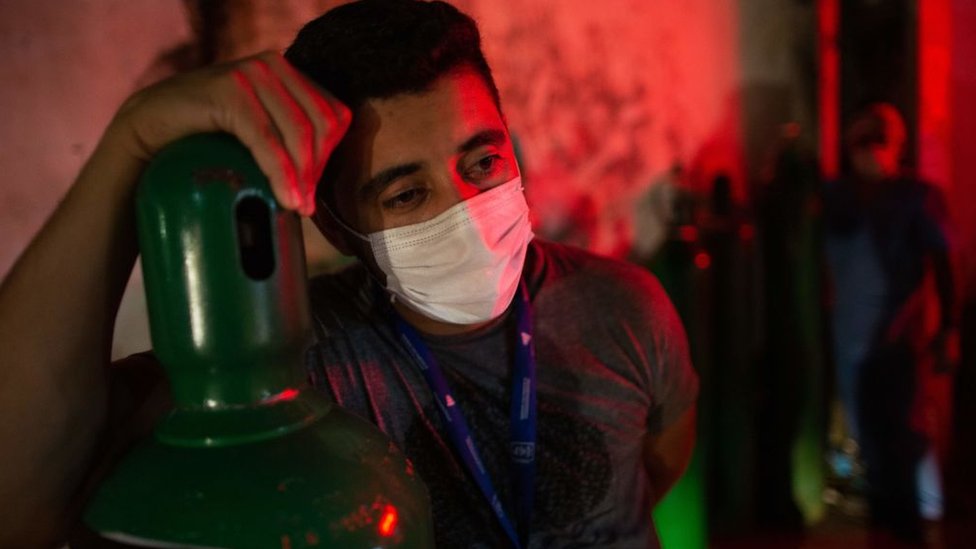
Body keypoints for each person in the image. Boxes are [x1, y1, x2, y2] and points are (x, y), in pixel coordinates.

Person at [0, 1, 698, 547]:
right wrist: (132, 141)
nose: (468, 213)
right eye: (405, 193)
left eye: (482, 163)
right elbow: (20, 501)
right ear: (338, 226)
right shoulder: (291, 365)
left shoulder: (623, 306)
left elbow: (658, 464)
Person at [824, 103, 956, 544]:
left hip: (896, 342)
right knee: (874, 448)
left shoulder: (915, 199)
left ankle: (906, 532)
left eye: (880, 140)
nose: (871, 151)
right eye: (864, 141)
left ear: (896, 146)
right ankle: (887, 531)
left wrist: (945, 330)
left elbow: (943, 264)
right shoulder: (838, 199)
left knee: (901, 442)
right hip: (851, 344)